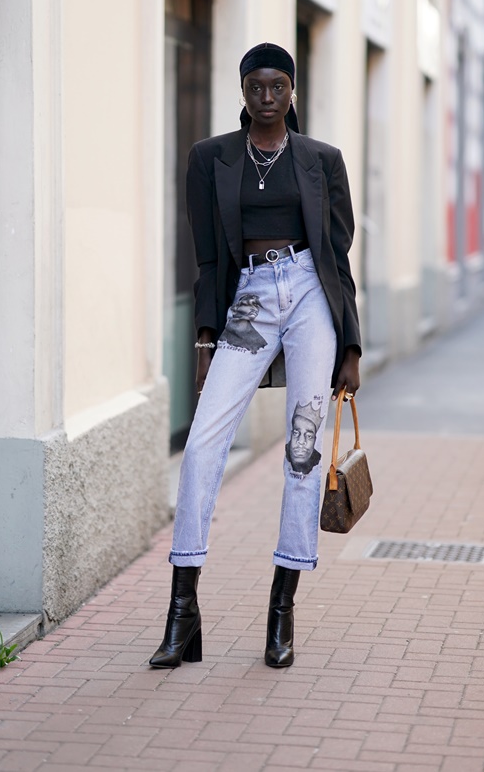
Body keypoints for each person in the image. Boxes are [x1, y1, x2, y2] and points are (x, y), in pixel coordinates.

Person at [150, 43, 361, 671]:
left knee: (304, 449)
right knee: (204, 441)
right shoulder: (210, 158)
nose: (266, 96)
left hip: (310, 300)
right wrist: (204, 339)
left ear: (292, 90)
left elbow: (338, 258)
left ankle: (282, 608)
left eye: (277, 86)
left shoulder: (323, 161)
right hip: (247, 300)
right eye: (255, 86)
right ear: (242, 90)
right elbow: (209, 258)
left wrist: (349, 346)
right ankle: (183, 613)